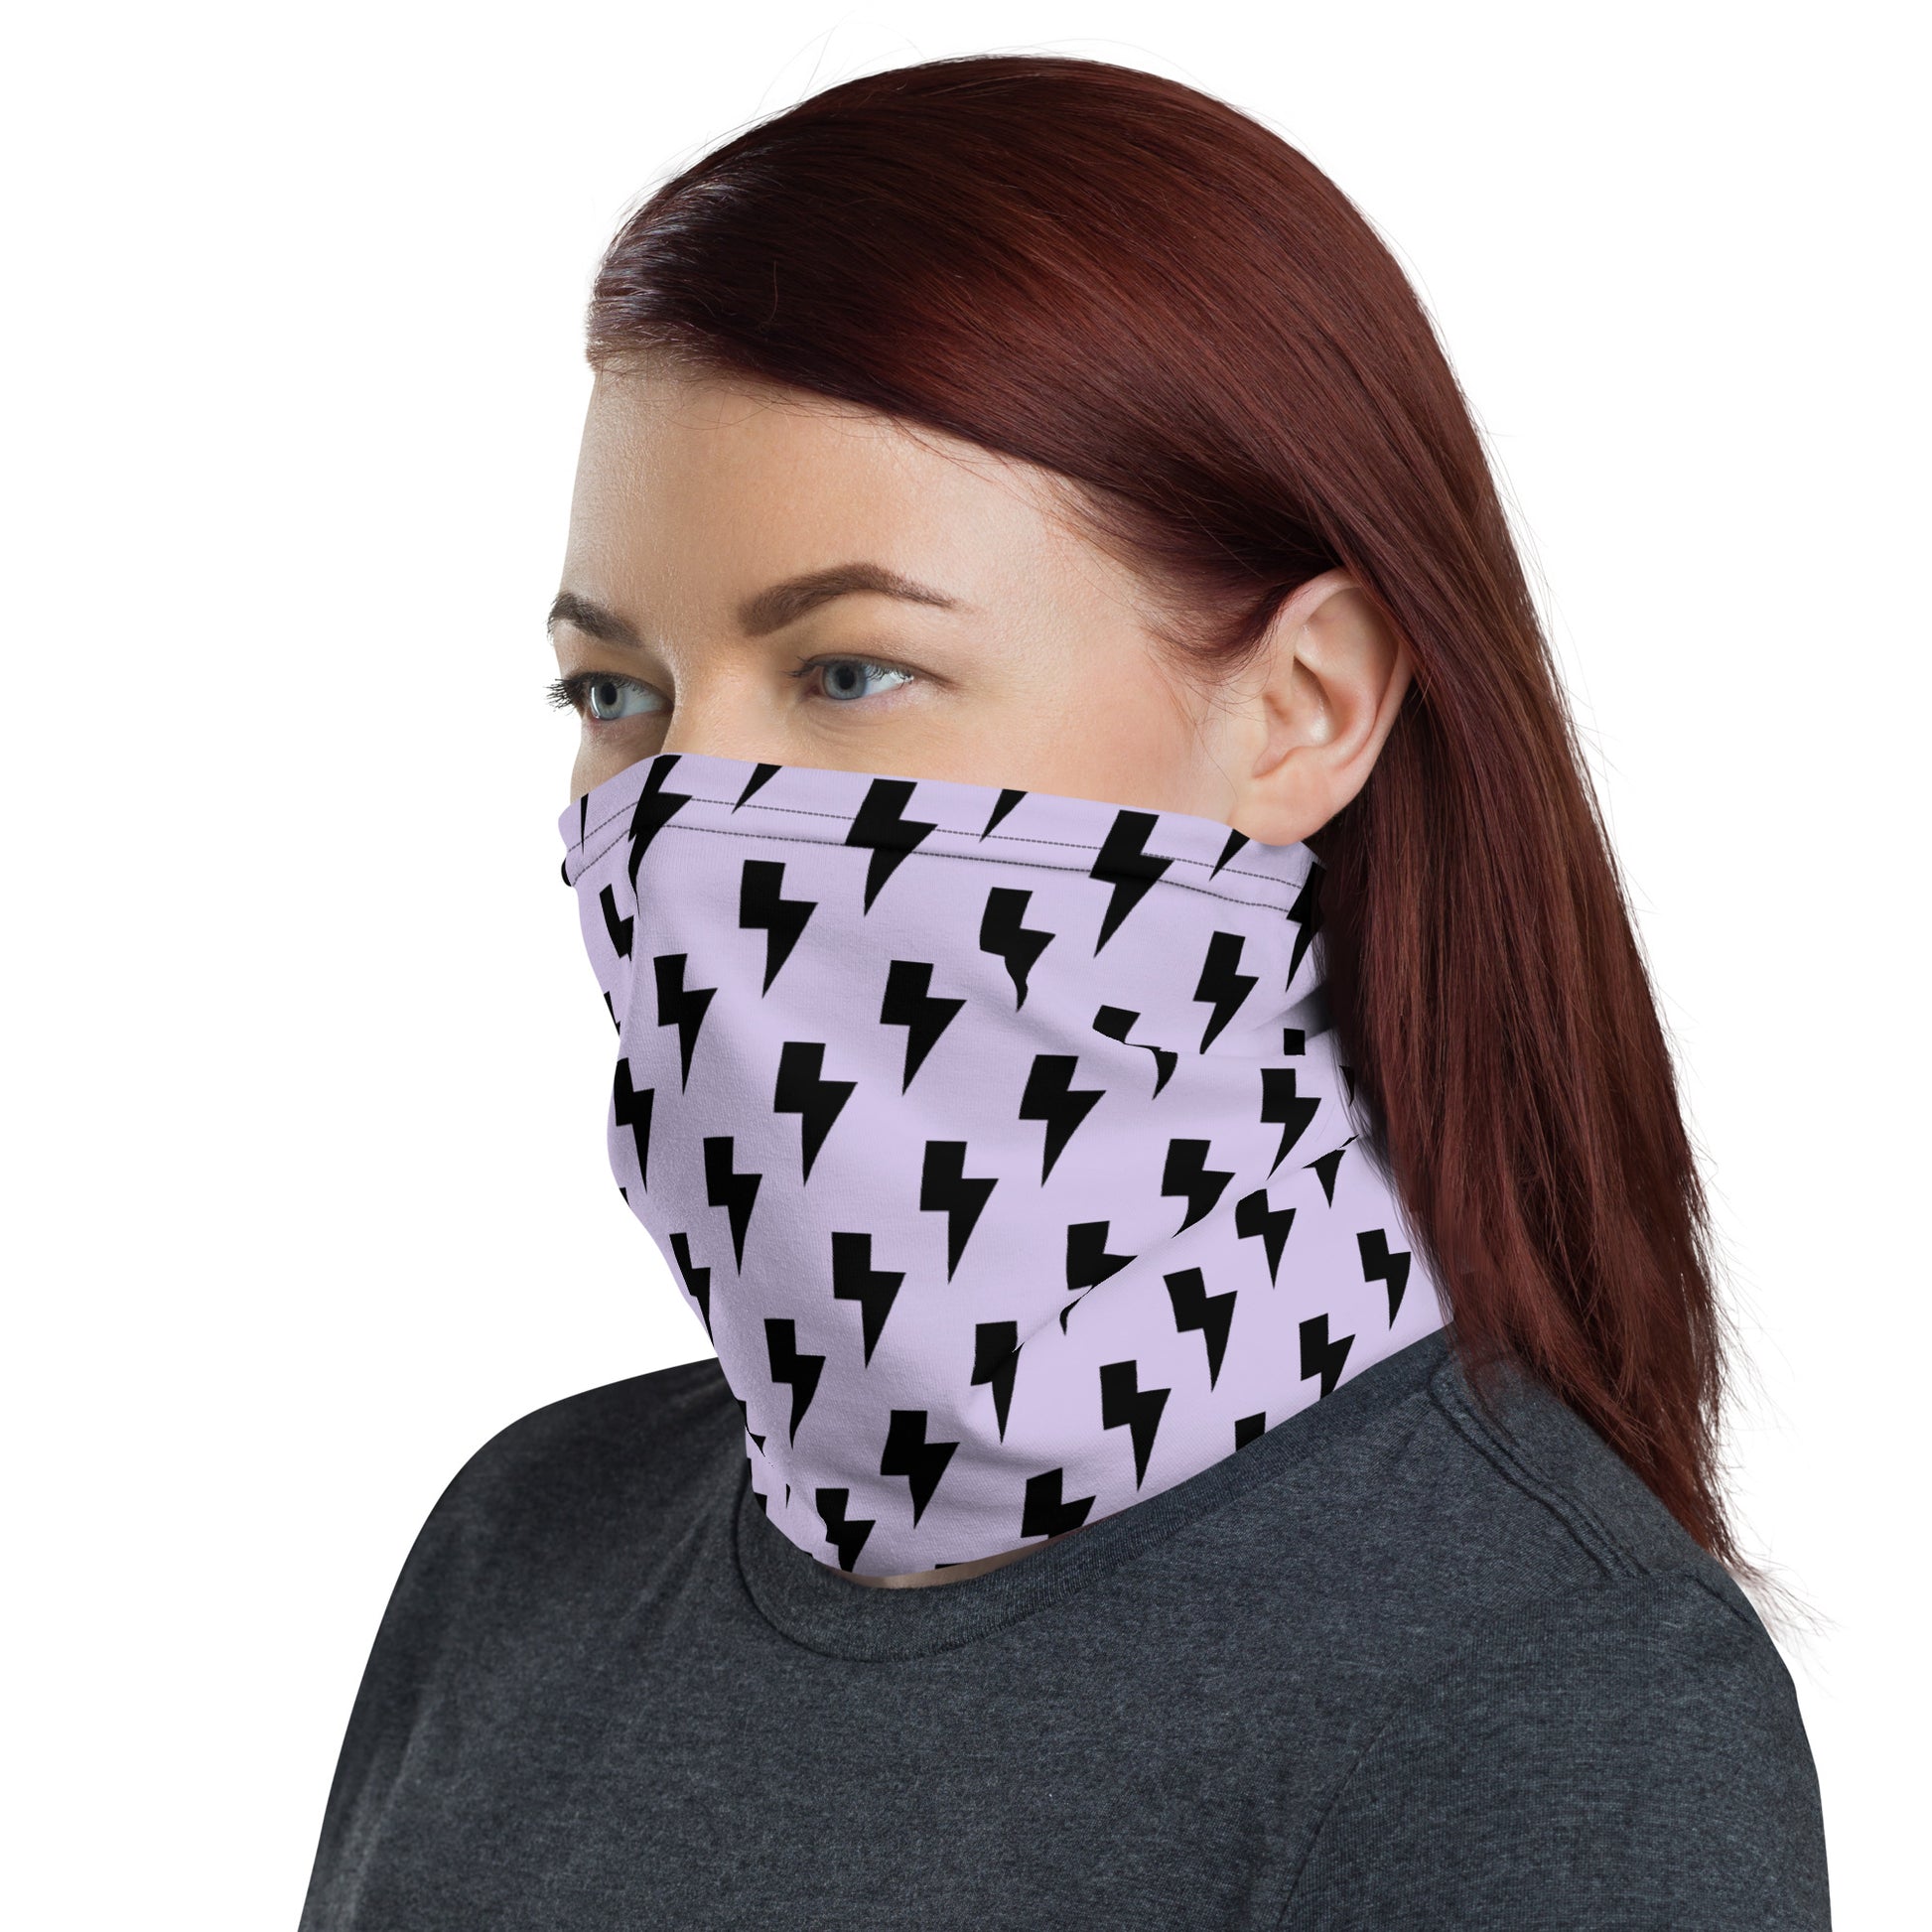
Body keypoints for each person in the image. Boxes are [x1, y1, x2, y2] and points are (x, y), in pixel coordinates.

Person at [299, 53, 1831, 1930]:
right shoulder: (521, 1543)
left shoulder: (1546, 1695)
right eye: (617, 693)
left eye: (850, 671)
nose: (683, 823)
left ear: (1303, 709)